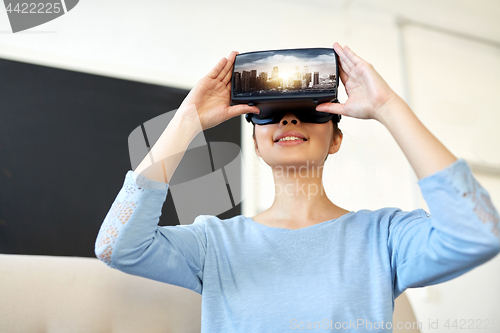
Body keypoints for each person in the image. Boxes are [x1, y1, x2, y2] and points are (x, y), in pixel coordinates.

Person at [95, 43, 500, 332]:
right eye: (270, 116)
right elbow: (117, 245)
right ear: (255, 143)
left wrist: (387, 107)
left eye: (308, 112)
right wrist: (187, 121)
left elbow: (479, 233)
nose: (289, 121)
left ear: (336, 139)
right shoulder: (215, 244)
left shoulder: (384, 237)